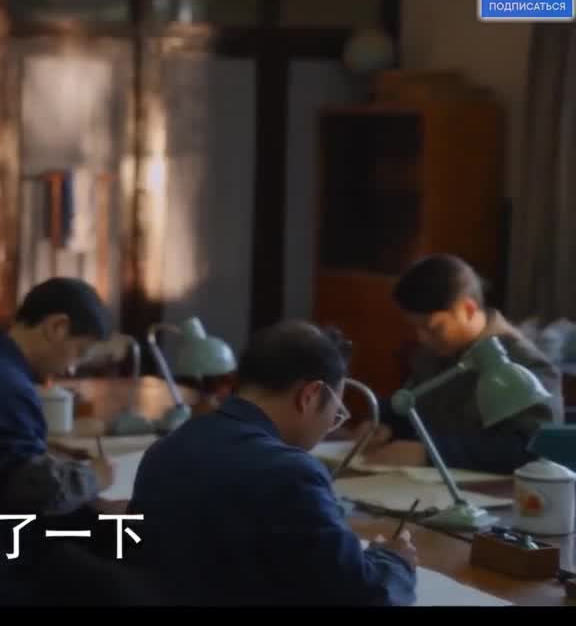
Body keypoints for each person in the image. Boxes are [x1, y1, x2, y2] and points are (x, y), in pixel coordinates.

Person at [125, 320, 418, 606]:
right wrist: (395, 561)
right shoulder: (292, 473)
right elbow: (366, 596)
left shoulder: (166, 448)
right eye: (336, 414)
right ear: (309, 395)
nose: (330, 424)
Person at [0, 277, 131, 604]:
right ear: (57, 327)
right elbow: (34, 490)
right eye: (80, 351)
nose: (71, 369)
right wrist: (94, 477)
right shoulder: (8, 386)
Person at [356, 254, 561, 474]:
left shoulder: (527, 366)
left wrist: (430, 453)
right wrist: (384, 424)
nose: (422, 338)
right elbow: (414, 408)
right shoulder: (434, 354)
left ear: (468, 309)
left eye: (433, 328)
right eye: (416, 328)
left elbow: (532, 449)